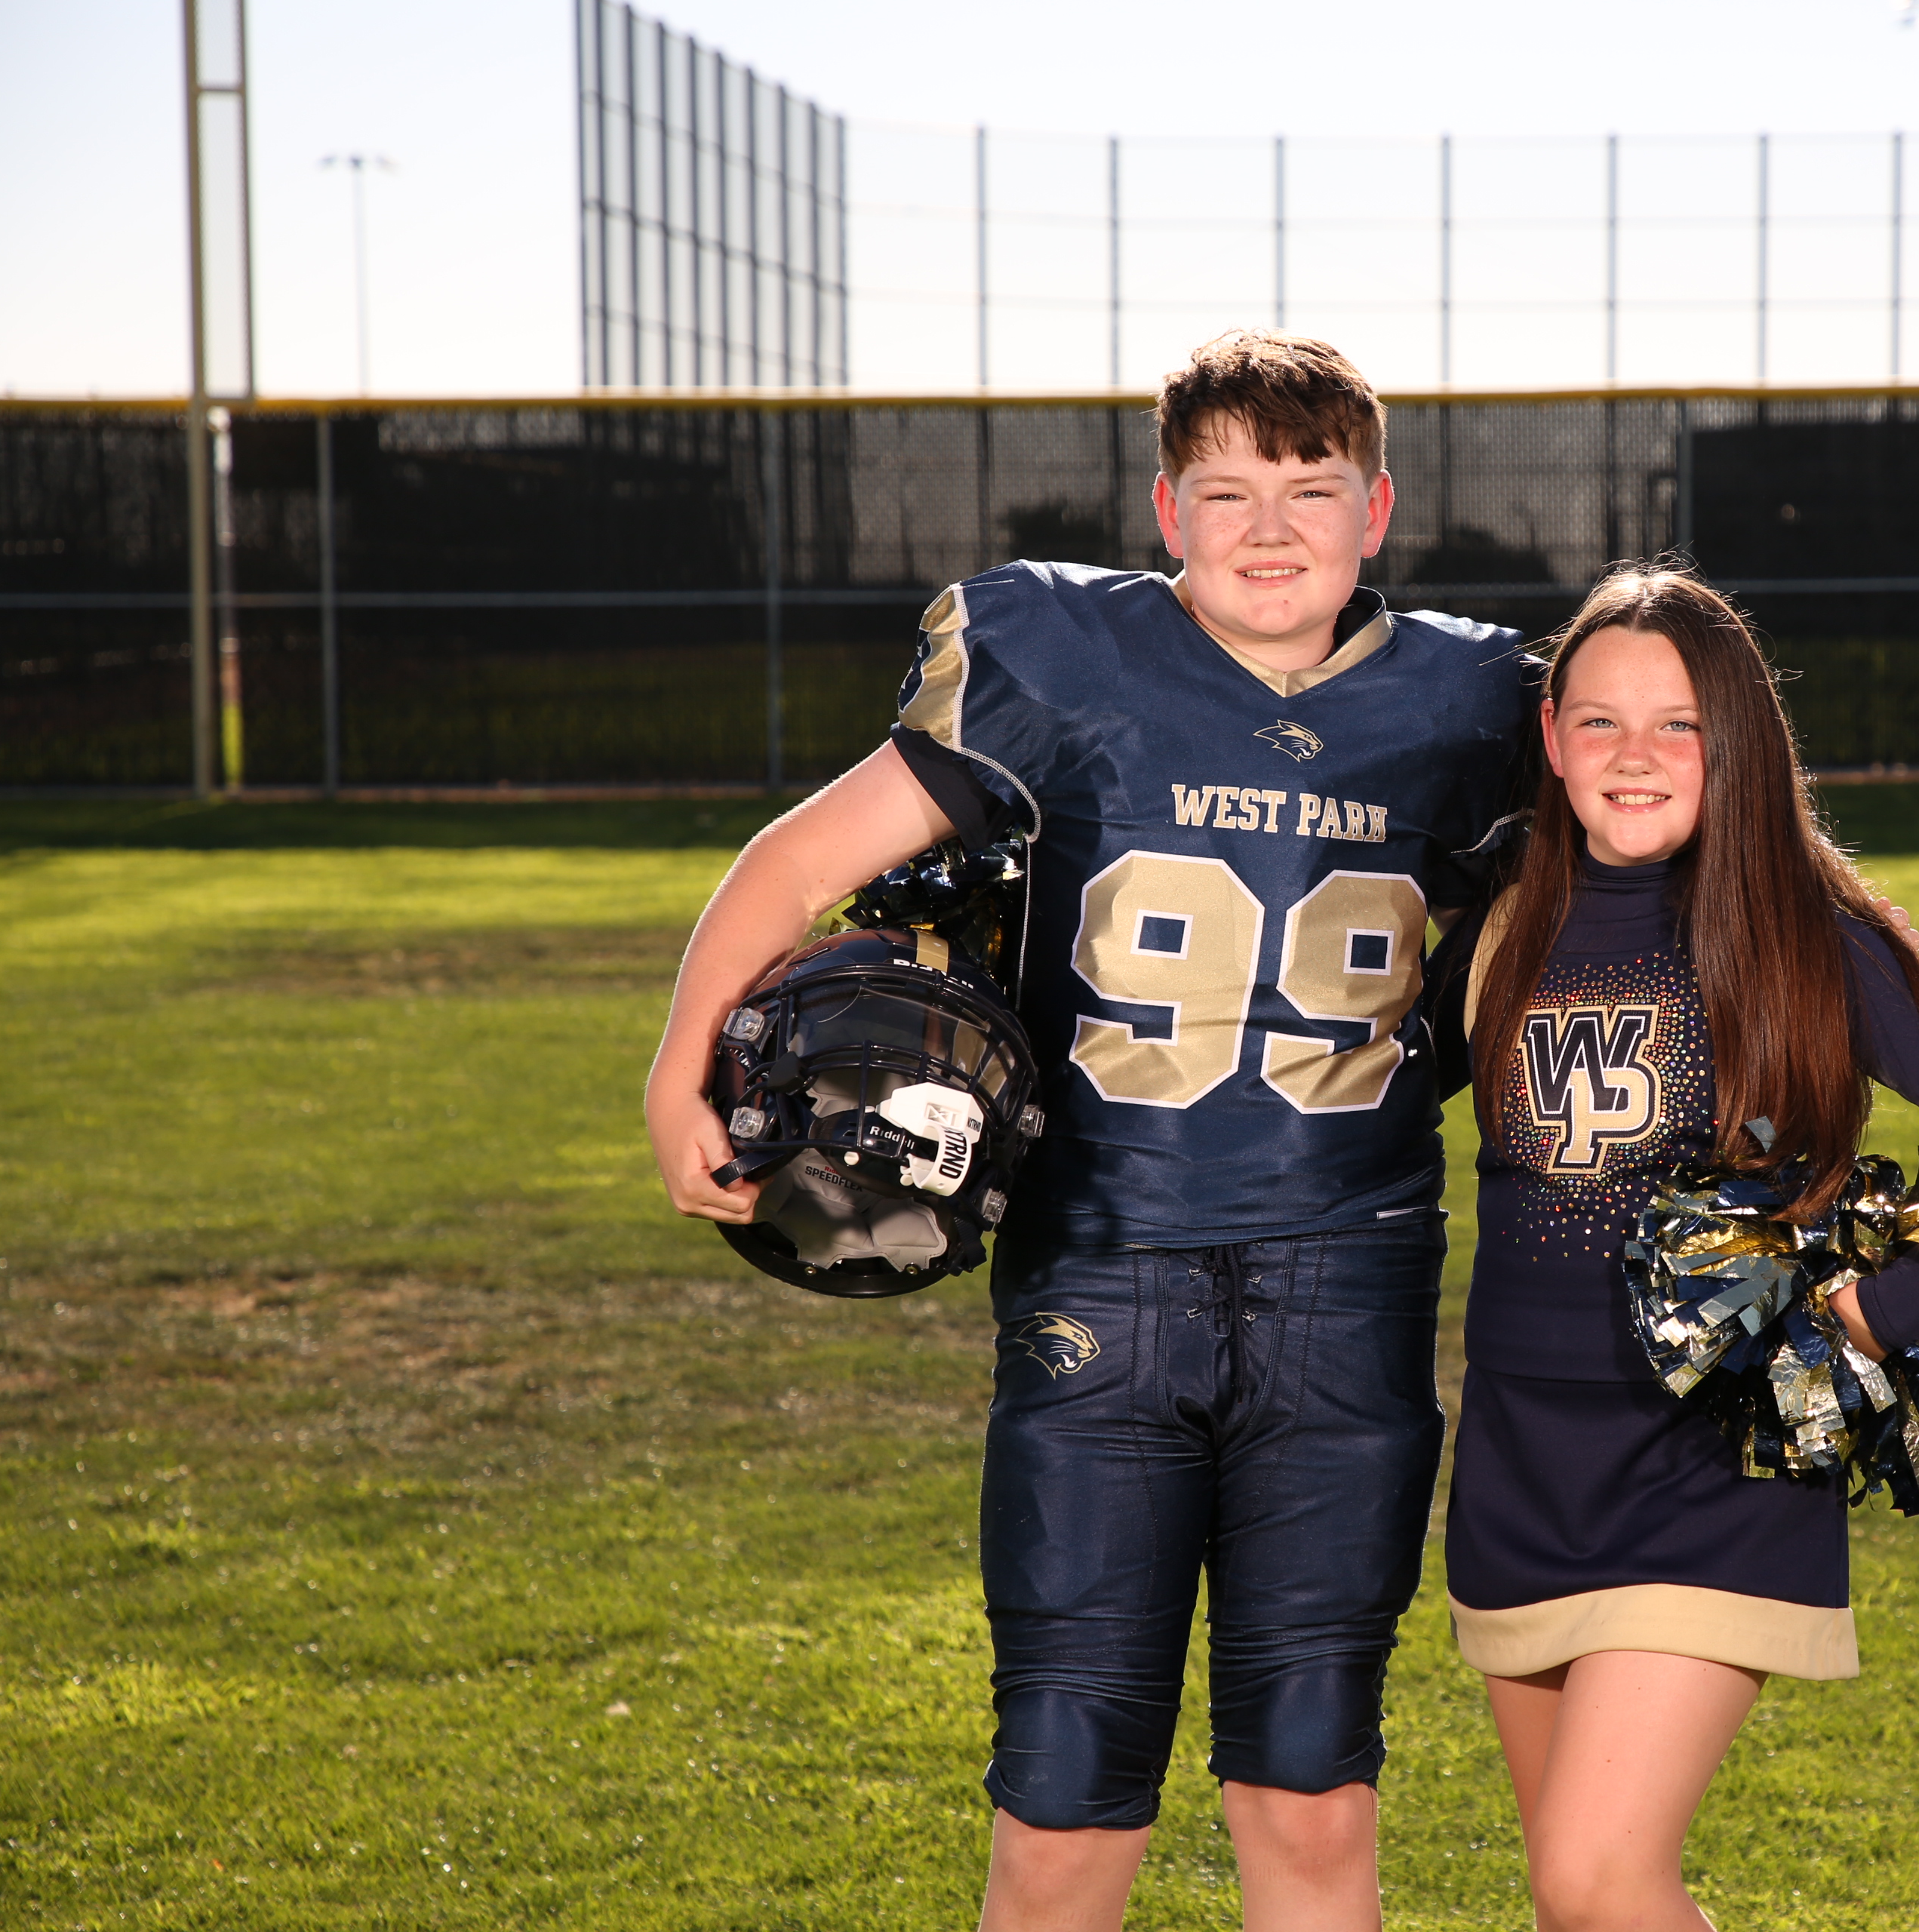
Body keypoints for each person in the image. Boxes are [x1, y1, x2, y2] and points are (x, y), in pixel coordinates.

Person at [643, 331, 1533, 1932]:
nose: (1272, 528)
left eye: (1313, 489)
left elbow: (1627, 905)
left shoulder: (1477, 699)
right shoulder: (1062, 654)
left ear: (1379, 508)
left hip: (1351, 1285)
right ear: (1167, 511)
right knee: (1062, 1796)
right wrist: (676, 1070)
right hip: (1100, 1281)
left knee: (1313, 1787)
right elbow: (798, 862)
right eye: (1228, 492)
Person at [1424, 564, 1919, 1932]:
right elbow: (1352, 1096)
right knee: (1583, 1904)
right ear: (1551, 739)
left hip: (1710, 1467)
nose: (1636, 755)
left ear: (1737, 743)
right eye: (1600, 721)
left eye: (1679, 725)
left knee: (1595, 1878)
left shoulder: (1801, 939)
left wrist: (1884, 1311)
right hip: (1519, 1463)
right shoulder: (1504, 927)